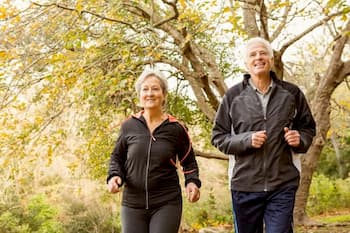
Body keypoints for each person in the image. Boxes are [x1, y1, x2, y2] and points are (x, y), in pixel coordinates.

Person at [211, 37, 316, 233]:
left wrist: (299, 139)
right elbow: (218, 137)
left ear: (271, 59)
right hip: (244, 185)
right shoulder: (233, 96)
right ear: (245, 63)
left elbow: (308, 128)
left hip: (282, 183)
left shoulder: (291, 93)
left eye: (263, 53)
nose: (258, 57)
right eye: (252, 54)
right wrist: (246, 140)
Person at [107, 67, 201, 233]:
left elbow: (189, 161)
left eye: (155, 89)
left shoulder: (176, 128)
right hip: (133, 203)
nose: (150, 93)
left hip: (167, 202)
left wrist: (192, 182)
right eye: (145, 89)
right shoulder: (129, 126)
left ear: (164, 94)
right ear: (139, 95)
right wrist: (115, 176)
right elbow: (117, 157)